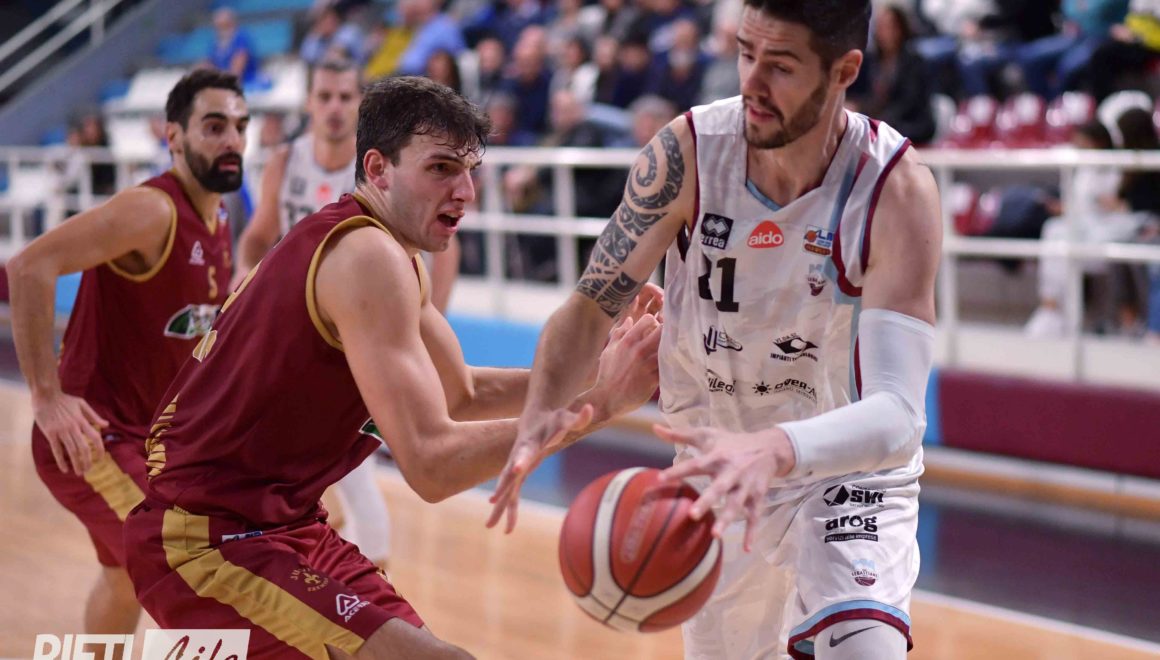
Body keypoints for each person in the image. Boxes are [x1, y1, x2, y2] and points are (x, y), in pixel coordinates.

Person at [122, 76, 663, 658]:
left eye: (470, 171)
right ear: (378, 168)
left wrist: (600, 370)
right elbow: (432, 467)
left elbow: (462, 393)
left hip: (283, 525)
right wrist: (600, 406)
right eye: (441, 169)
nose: (465, 192)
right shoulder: (366, 256)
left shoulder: (391, 252)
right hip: (206, 537)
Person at [488, 1, 942, 658]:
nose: (752, 81)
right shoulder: (688, 153)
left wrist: (774, 448)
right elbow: (590, 306)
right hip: (715, 466)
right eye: (745, 52)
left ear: (844, 71)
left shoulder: (895, 189)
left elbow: (898, 414)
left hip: (845, 473)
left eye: (780, 65)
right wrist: (539, 415)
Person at [7, 69, 246, 635]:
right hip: (93, 436)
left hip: (149, 443)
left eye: (241, 126)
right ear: (174, 137)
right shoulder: (152, 211)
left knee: (123, 579)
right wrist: (46, 396)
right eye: (214, 127)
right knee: (190, 574)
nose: (233, 140)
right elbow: (29, 266)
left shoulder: (218, 220)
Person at [237, 58, 461, 313]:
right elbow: (259, 236)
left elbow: (445, 247)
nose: (335, 107)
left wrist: (434, 312)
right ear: (308, 102)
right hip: (306, 305)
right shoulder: (283, 162)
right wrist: (247, 272)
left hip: (372, 305)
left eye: (344, 97)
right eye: (324, 97)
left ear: (360, 103)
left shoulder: (381, 166)